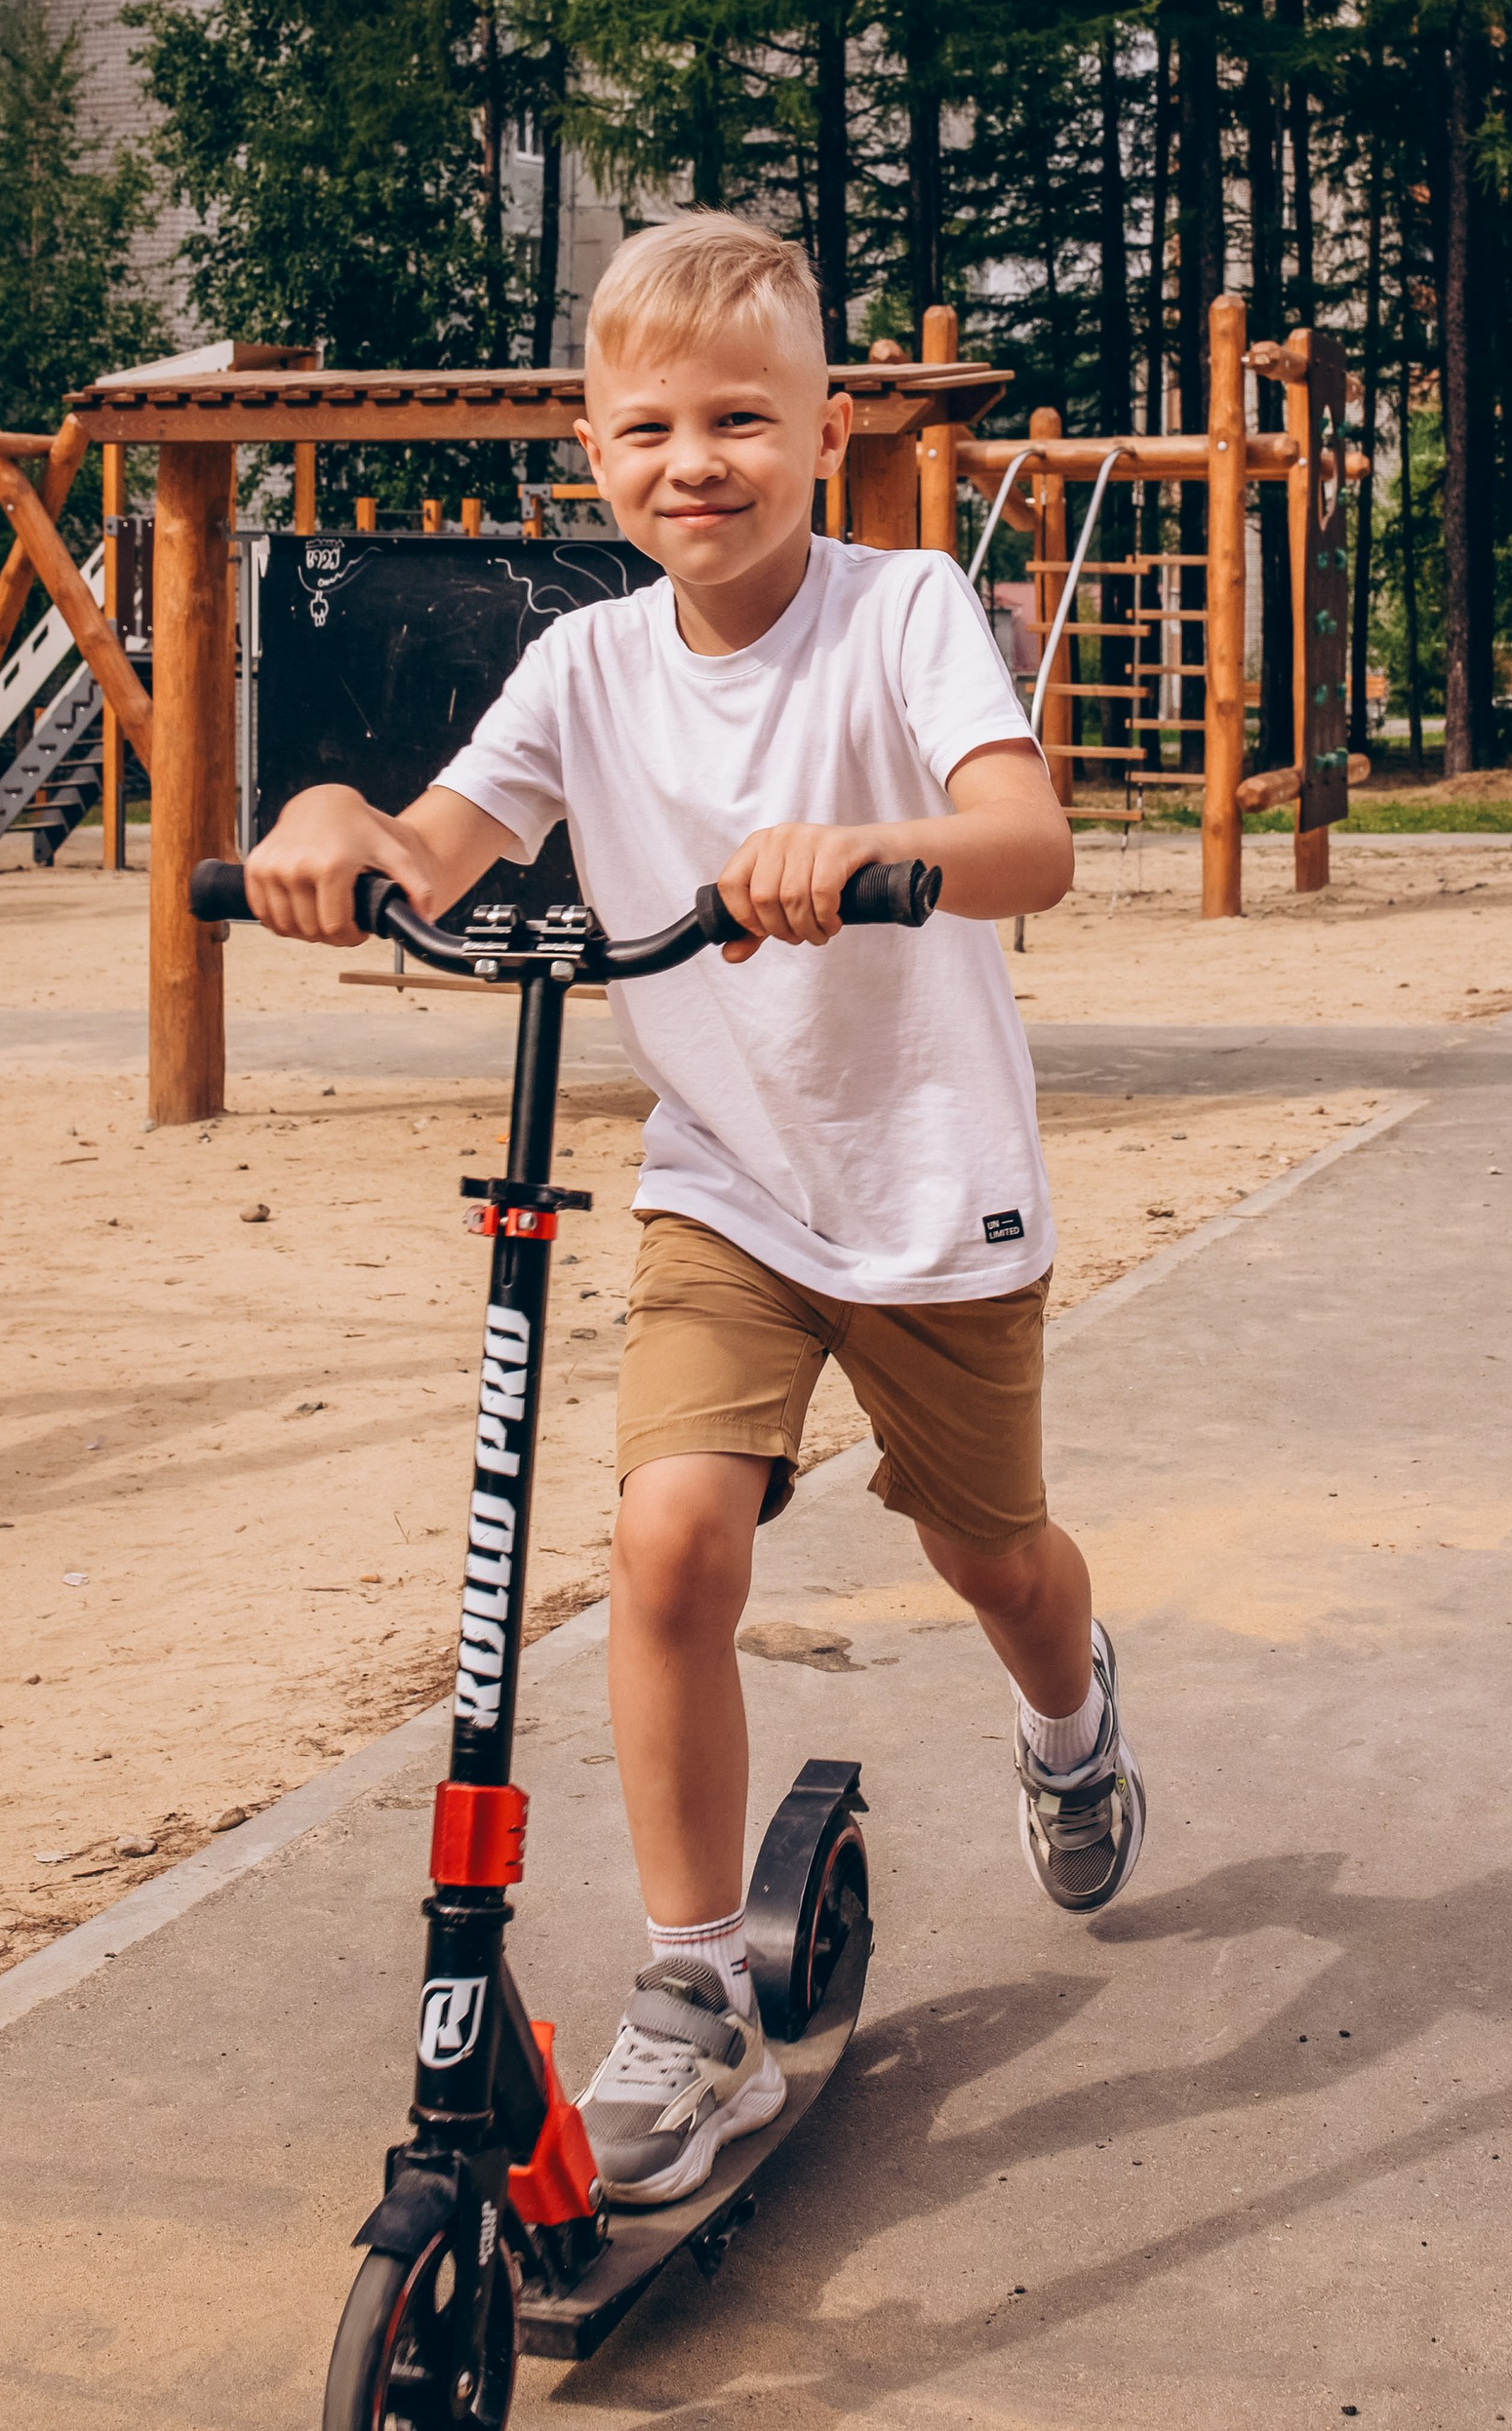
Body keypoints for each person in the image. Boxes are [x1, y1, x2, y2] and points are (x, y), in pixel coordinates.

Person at [238, 213, 1144, 2208]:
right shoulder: (579, 660)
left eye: (741, 417)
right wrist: (330, 823)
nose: (694, 462)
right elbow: (440, 845)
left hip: (927, 1202)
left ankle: (1073, 1723)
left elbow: (1028, 842)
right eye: (646, 427)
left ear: (820, 430)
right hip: (724, 1185)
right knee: (665, 1550)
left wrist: (876, 847)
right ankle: (689, 1992)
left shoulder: (900, 612)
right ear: (590, 450)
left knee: (994, 1565)